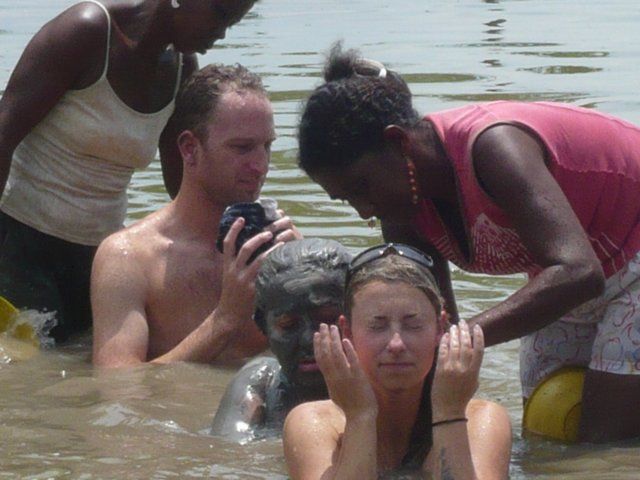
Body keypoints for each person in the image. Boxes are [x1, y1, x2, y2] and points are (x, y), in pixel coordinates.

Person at [296, 43, 640, 443]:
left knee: (599, 444)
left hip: (607, 264)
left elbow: (578, 272)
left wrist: (449, 343)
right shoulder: (403, 210)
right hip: (589, 270)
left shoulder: (496, 149)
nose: (363, 210)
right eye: (347, 199)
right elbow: (437, 329)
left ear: (399, 143)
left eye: (362, 187)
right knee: (546, 434)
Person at [0, 0, 258, 343]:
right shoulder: (87, 31)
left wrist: (233, 236)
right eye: (221, 15)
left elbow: (181, 181)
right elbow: (4, 133)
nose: (222, 34)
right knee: (28, 365)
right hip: (20, 243)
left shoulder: (182, 69)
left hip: (97, 256)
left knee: (83, 378)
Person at [91, 63, 301, 367]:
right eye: (242, 148)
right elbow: (119, 388)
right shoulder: (129, 260)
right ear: (190, 149)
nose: (260, 166)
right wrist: (224, 321)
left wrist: (306, 287)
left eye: (266, 146)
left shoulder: (282, 247)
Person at [283, 243, 511, 479]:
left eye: (413, 325)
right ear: (347, 331)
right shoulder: (313, 423)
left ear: (440, 328)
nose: (396, 344)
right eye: (377, 325)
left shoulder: (482, 420)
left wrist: (449, 411)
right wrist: (360, 417)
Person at [210, 238, 351, 442]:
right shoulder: (261, 382)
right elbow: (226, 454)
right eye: (288, 325)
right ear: (263, 327)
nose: (308, 339)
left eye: (327, 320)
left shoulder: (380, 379)